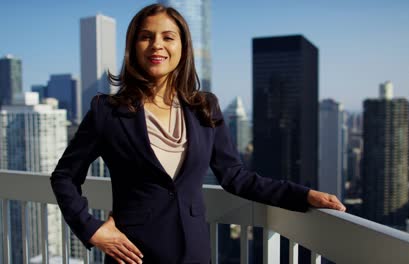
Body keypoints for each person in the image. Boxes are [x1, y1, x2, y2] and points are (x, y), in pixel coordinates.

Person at [50, 3, 346, 264]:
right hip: (133, 254)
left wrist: (304, 195)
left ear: (183, 47)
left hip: (194, 252)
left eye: (168, 37)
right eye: (146, 37)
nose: (157, 45)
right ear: (133, 47)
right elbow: (64, 176)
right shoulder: (107, 111)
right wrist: (91, 229)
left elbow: (235, 176)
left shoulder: (205, 107)